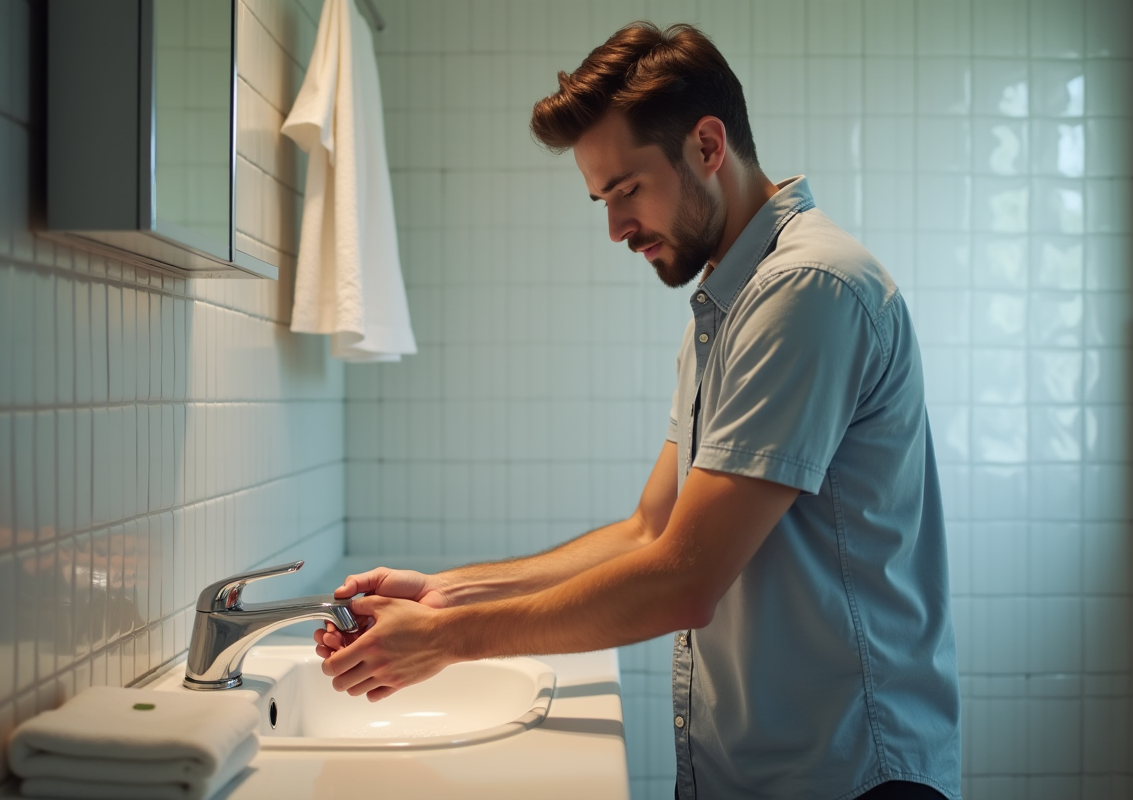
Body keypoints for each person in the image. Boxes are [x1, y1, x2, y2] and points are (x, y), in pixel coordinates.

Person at [315, 22, 961, 800]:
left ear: (708, 146)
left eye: (627, 190)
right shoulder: (728, 308)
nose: (616, 227)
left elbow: (682, 579)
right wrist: (451, 592)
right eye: (602, 198)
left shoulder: (808, 291)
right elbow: (650, 530)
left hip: (847, 778)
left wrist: (448, 641)